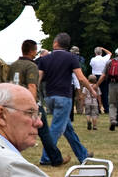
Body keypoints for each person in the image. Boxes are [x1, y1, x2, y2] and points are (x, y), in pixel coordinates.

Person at [36, 33, 96, 165]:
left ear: (56, 43)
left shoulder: (45, 59)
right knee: (56, 128)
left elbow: (38, 78)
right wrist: (91, 90)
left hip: (50, 97)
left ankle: (83, 154)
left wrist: (33, 92)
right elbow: (80, 77)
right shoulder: (71, 57)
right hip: (63, 96)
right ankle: (46, 158)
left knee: (67, 128)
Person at [10, 39, 62, 166]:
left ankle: (12, 157)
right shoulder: (31, 65)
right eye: (35, 50)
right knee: (44, 133)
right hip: (29, 102)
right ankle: (56, 159)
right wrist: (33, 105)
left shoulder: (14, 65)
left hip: (15, 102)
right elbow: (32, 86)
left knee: (14, 132)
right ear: (32, 51)